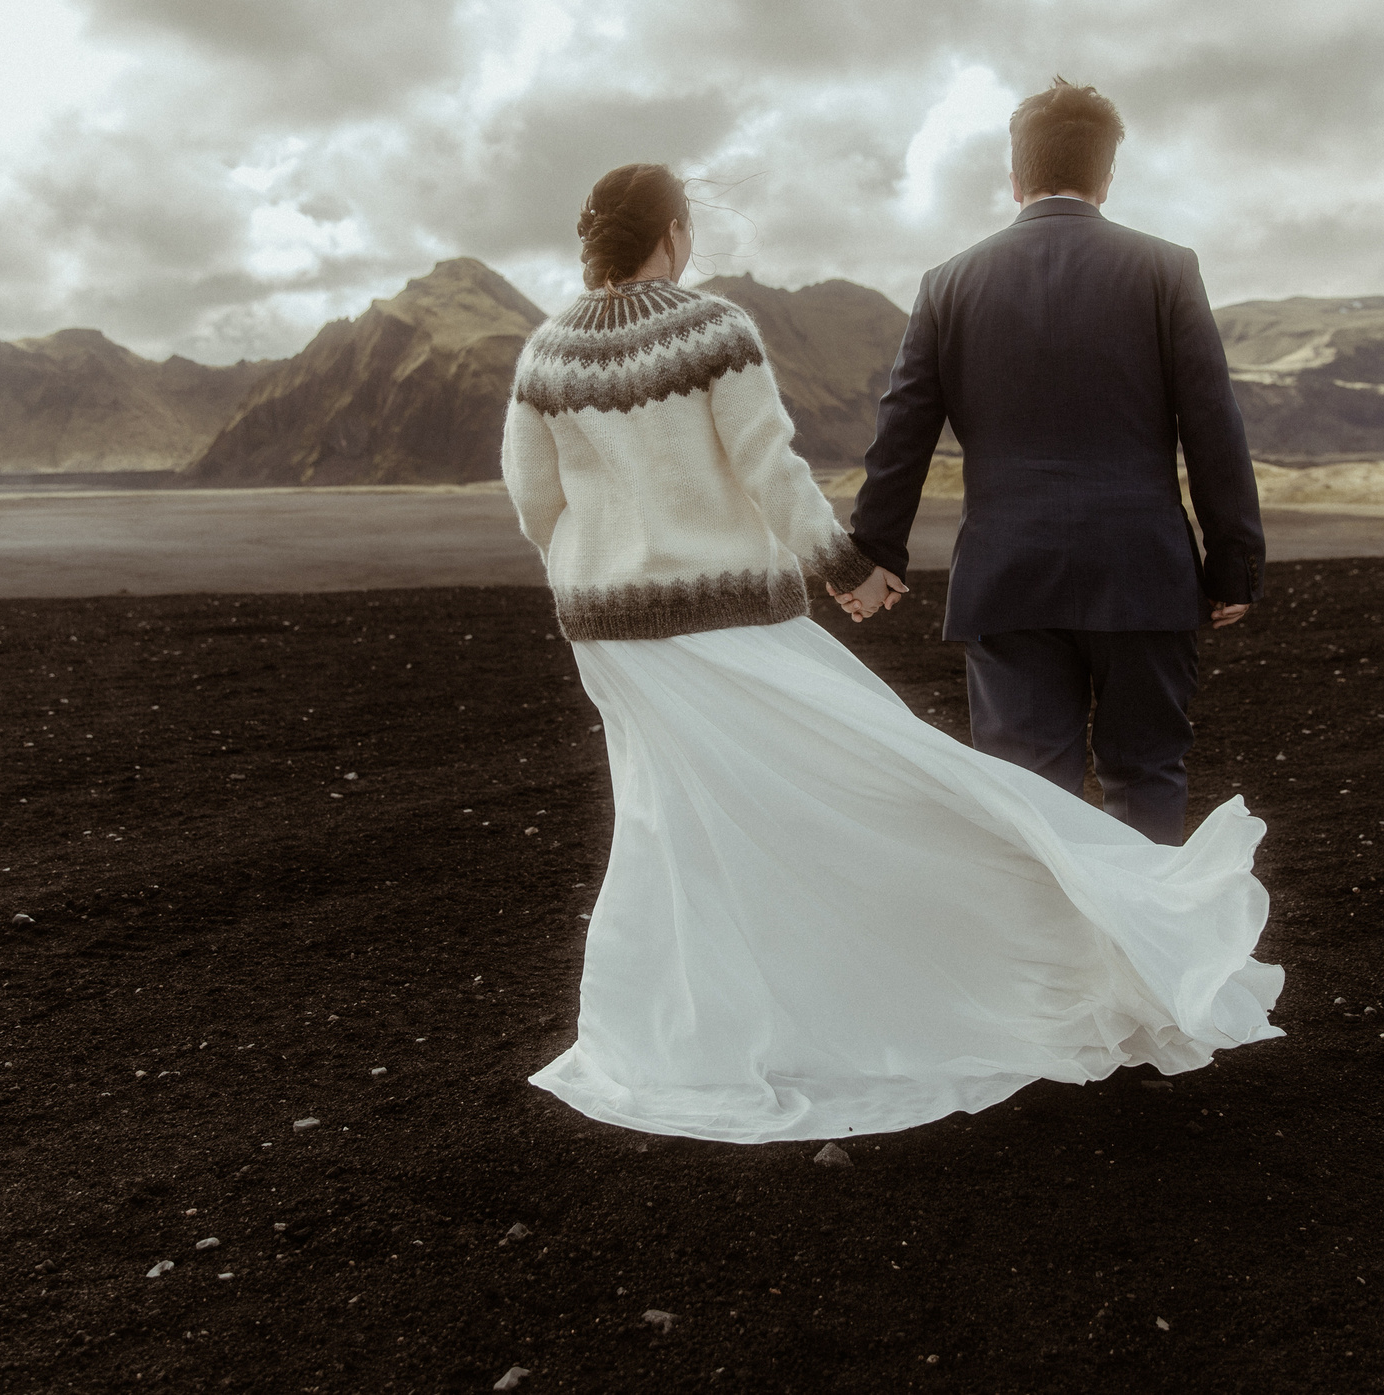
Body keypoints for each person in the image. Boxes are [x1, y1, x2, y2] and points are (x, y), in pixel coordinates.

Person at [500, 158, 1281, 1146]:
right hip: (726, 616)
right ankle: (1026, 952)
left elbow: (536, 500)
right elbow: (766, 470)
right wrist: (845, 567)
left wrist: (590, 569)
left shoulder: (545, 353)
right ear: (674, 231)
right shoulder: (710, 331)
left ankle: (683, 1031)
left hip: (609, 632)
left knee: (669, 824)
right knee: (882, 775)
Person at [844, 78, 1263, 846]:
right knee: (1146, 782)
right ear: (1107, 177)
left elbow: (901, 429)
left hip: (1010, 580)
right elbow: (1212, 423)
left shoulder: (948, 284)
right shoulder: (1167, 269)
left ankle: (1052, 967)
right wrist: (1232, 560)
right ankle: (1149, 965)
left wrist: (874, 551)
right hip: (1144, 573)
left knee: (1029, 803)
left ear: (1015, 176)